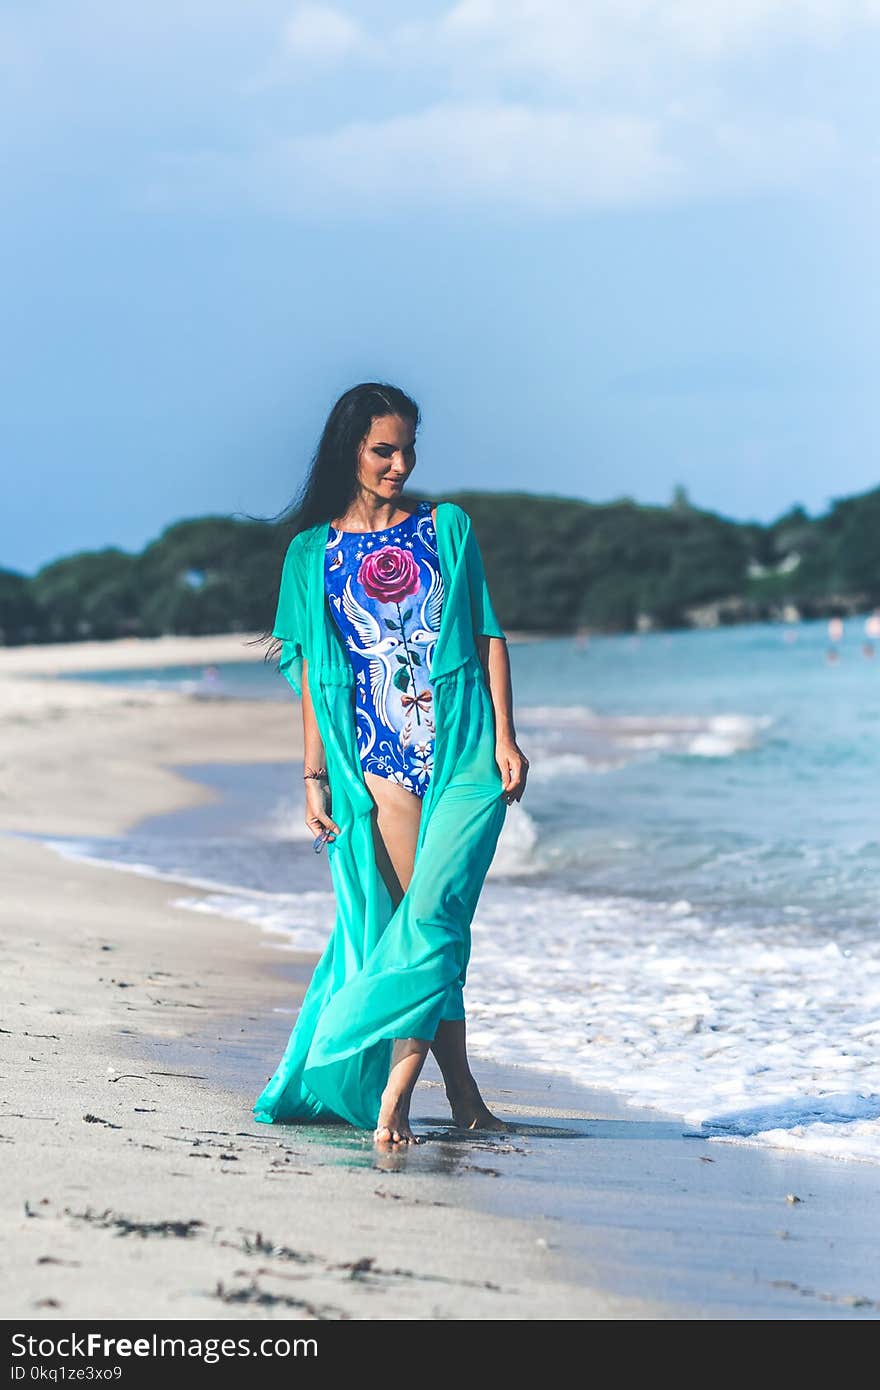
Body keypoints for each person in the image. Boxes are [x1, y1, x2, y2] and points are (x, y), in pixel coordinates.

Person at [253, 383, 529, 1146]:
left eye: (409, 448)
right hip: (376, 763)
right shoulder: (312, 555)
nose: (400, 463)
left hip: (464, 751)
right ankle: (466, 1098)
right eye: (385, 449)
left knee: (435, 918)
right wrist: (313, 775)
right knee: (422, 931)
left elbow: (486, 633)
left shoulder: (447, 529)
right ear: (352, 450)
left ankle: (398, 1101)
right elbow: (310, 671)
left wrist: (506, 736)